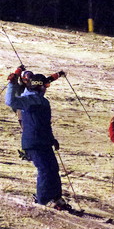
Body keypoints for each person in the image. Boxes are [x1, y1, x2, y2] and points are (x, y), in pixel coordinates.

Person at [5, 72, 69, 209]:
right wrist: (12, 84)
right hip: (33, 142)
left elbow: (45, 124)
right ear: (39, 87)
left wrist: (52, 139)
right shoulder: (27, 99)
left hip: (45, 141)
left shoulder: (45, 102)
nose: (46, 88)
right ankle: (43, 199)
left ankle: (56, 197)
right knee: (45, 170)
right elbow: (10, 101)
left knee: (53, 169)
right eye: (45, 86)